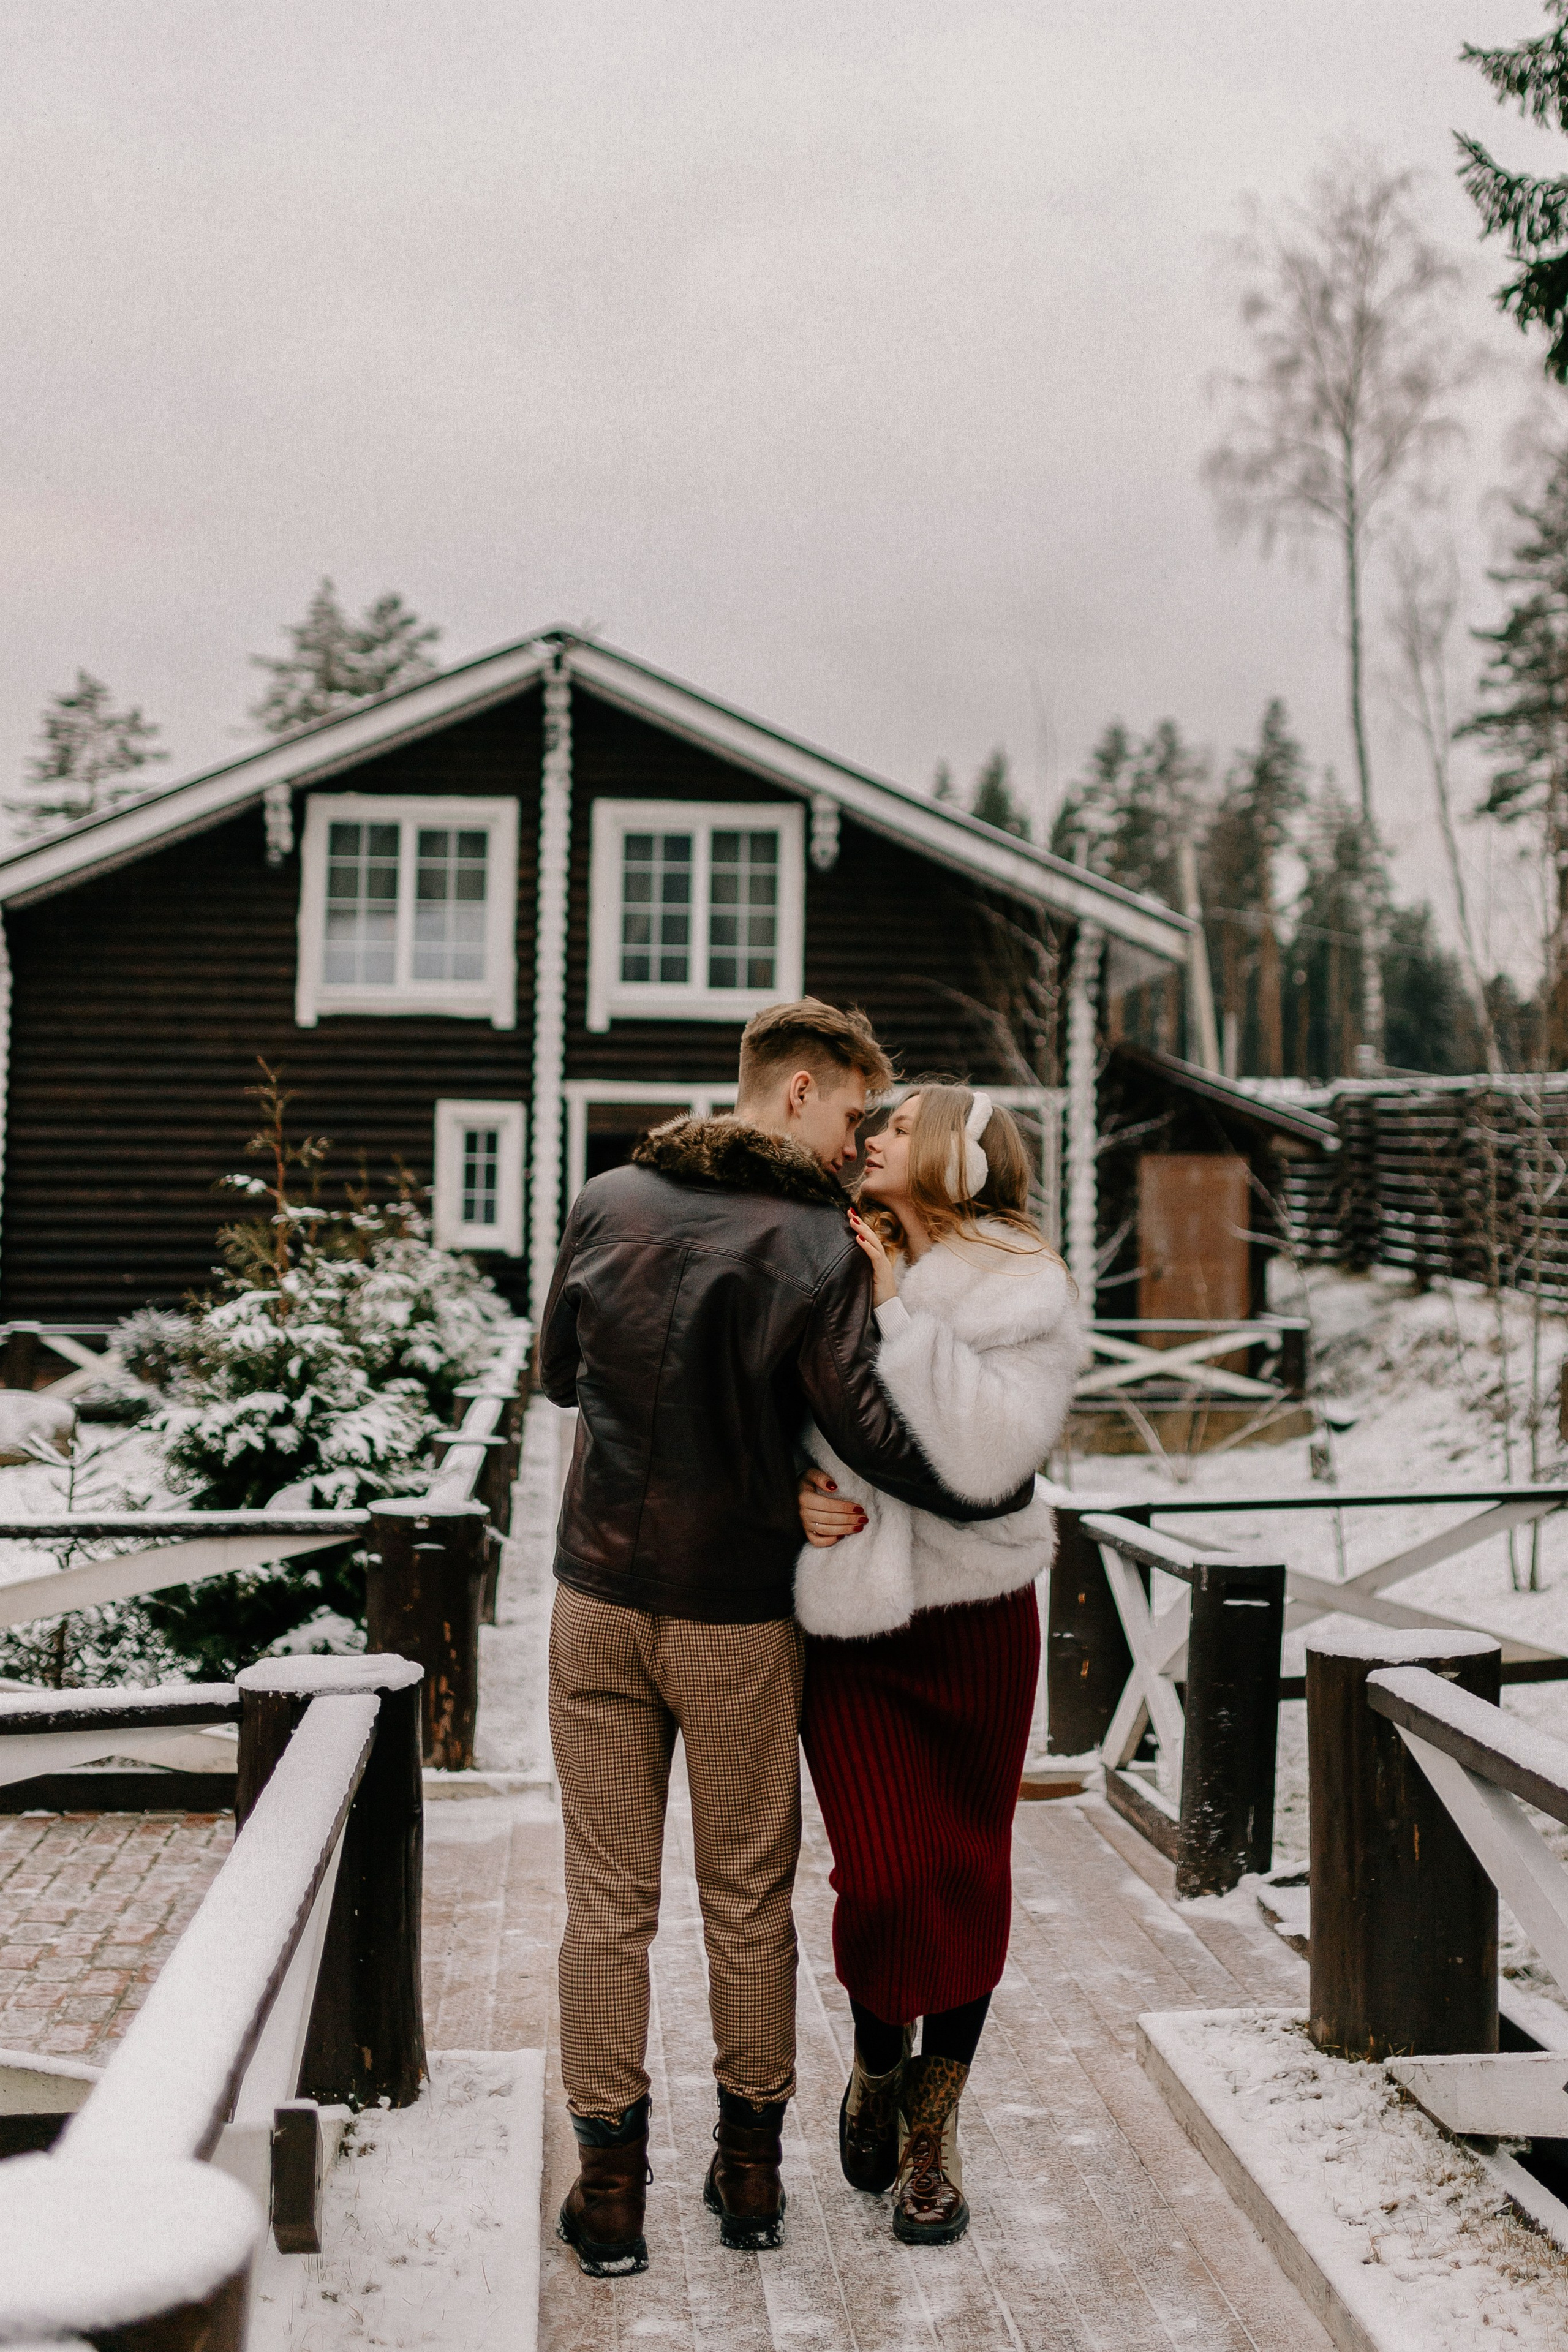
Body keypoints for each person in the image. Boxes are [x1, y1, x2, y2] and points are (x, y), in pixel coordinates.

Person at [537, 1003, 1036, 2279]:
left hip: (593, 1598)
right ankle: (748, 2182)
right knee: (745, 1901)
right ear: (801, 1091)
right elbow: (871, 1431)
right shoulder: (815, 1241)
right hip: (734, 1618)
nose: (855, 1140)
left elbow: (556, 1376)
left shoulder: (604, 1197)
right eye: (853, 1113)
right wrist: (994, 1490)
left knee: (605, 1906)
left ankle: (606, 2197)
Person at [795, 1082, 1085, 2246]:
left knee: (966, 1865)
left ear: (965, 1157)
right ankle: (875, 2059)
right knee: (879, 1874)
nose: (870, 1140)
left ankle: (933, 2127)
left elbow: (983, 1458)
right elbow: (765, 1400)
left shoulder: (1027, 1286)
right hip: (855, 1618)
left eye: (900, 1127)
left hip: (976, 1619)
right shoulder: (827, 1251)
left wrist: (899, 1309)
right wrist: (785, 1497)